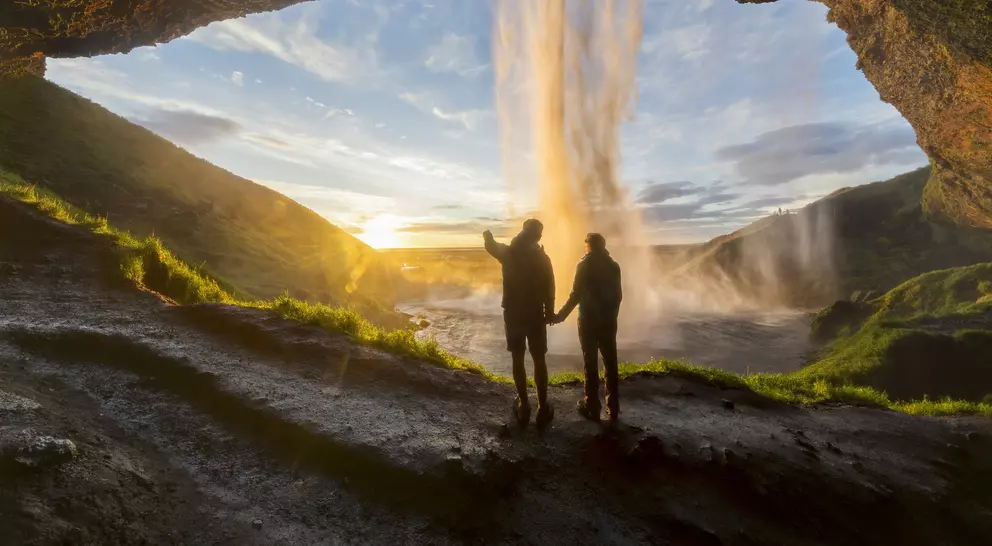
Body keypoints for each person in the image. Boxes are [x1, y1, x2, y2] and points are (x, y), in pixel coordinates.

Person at [483, 219, 556, 427]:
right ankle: (542, 408)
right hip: (535, 313)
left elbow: (491, 247)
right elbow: (550, 287)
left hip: (513, 313)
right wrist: (549, 312)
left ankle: (524, 405)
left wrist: (487, 237)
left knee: (518, 357)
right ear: (538, 236)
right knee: (538, 358)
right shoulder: (543, 258)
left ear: (523, 231)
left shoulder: (510, 253)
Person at [554, 233, 623, 423]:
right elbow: (618, 296)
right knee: (611, 363)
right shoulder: (613, 265)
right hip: (609, 322)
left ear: (589, 246)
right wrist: (611, 316)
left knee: (590, 362)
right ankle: (613, 407)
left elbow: (576, 294)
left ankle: (592, 406)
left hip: (588, 320)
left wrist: (560, 315)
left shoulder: (584, 264)